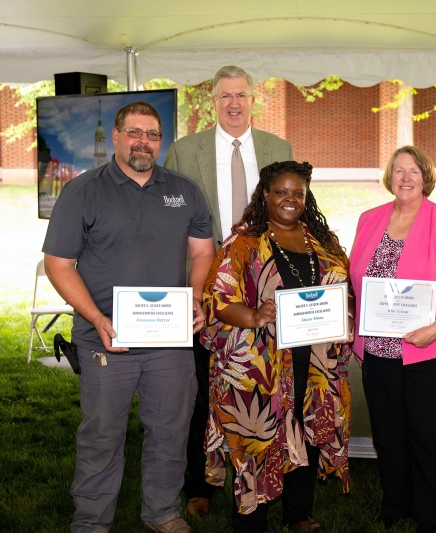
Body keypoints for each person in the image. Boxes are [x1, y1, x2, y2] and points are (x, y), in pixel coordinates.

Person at [43, 101, 216, 533]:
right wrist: (97, 318)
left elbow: (203, 251)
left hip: (169, 341)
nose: (144, 141)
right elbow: (58, 263)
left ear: (161, 141)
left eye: (153, 134)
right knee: (101, 436)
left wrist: (195, 298)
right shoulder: (82, 191)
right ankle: (92, 521)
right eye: (135, 132)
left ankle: (162, 512)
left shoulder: (185, 190)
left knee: (170, 431)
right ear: (116, 137)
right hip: (106, 339)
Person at [163, 65, 294, 519]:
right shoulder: (184, 152)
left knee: (266, 385)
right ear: (213, 102)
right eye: (225, 97)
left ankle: (265, 476)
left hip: (267, 289)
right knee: (202, 387)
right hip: (206, 288)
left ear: (253, 99)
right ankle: (199, 482)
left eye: (241, 95)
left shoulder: (279, 149)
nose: (234, 104)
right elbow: (171, 223)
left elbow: (293, 211)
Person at [203, 161, 353, 533]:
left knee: (307, 428)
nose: (290, 199)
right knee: (259, 438)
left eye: (298, 193)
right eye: (281, 192)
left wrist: (342, 314)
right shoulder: (243, 243)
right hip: (261, 365)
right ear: (265, 195)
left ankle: (299, 513)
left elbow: (342, 290)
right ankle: (252, 519)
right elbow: (217, 297)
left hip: (315, 361)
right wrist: (253, 315)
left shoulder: (323, 242)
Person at [349, 146, 436, 533]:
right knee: (388, 435)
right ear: (390, 176)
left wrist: (435, 328)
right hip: (378, 351)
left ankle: (428, 514)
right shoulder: (369, 219)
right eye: (399, 170)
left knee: (431, 438)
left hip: (433, 351)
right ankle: (395, 502)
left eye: (414, 171)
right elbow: (357, 282)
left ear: (426, 177)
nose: (406, 178)